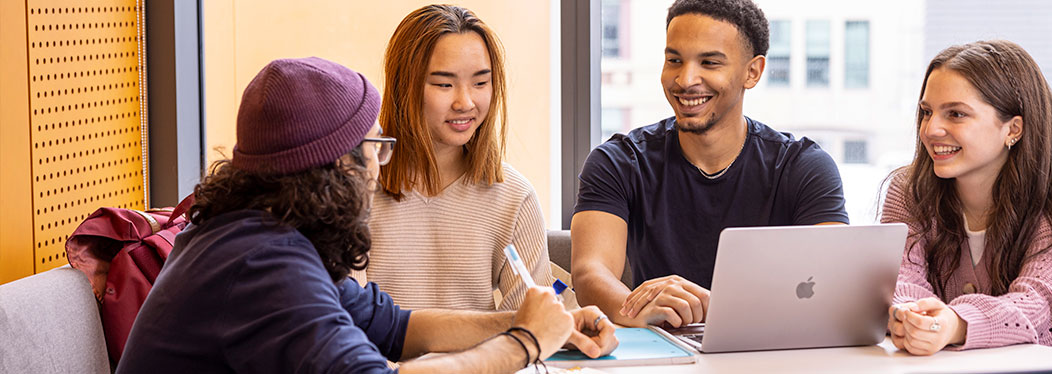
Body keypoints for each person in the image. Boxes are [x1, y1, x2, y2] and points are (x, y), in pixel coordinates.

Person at [117, 57, 616, 373]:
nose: (381, 165)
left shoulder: (258, 234)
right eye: (374, 148)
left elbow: (397, 327)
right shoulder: (263, 265)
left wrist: (540, 322)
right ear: (338, 165)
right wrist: (525, 342)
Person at [571, 0, 849, 329]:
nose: (686, 80)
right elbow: (591, 272)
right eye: (674, 60)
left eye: (709, 63)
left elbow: (835, 283)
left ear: (753, 71)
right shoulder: (617, 162)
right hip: (665, 348)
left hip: (772, 347)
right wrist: (632, 309)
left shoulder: (805, 167)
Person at [882, 40, 1052, 360]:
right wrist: (912, 317)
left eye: (956, 114)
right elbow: (896, 278)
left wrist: (955, 324)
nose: (931, 129)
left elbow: (1041, 307)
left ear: (1013, 129)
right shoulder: (909, 190)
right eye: (927, 112)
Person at [361, 4, 553, 311]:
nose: (465, 102)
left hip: (486, 361)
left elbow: (532, 329)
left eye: (480, 83)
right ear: (404, 86)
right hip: (370, 361)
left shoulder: (514, 197)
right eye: (444, 84)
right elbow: (342, 327)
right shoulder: (357, 190)